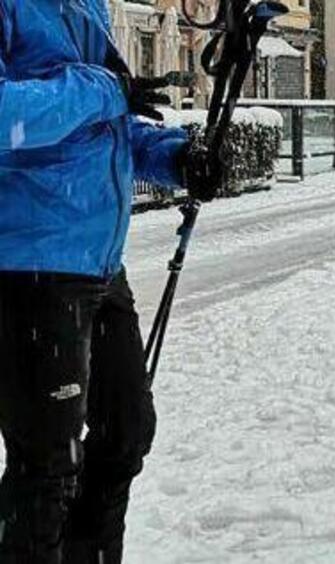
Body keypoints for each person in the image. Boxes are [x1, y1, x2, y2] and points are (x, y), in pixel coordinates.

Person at [0, 1, 221, 562]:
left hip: (98, 263)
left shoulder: (87, 5)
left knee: (124, 436)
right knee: (47, 467)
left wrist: (177, 158)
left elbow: (112, 126)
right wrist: (103, 88)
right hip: (30, 261)